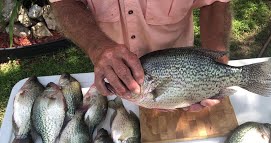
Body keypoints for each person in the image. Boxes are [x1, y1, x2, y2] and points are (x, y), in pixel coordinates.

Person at [50, 0, 232, 111]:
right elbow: (64, 1)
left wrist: (217, 65)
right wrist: (98, 47)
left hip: (187, 75)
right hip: (113, 76)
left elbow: (215, 2)